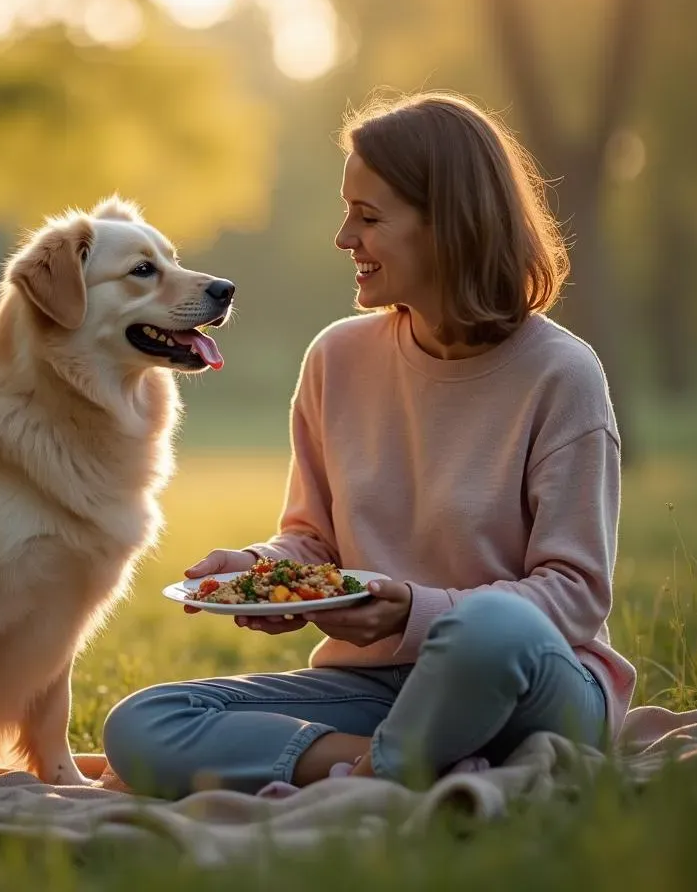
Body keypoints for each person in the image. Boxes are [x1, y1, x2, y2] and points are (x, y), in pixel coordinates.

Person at [101, 92, 637, 798]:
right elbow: (313, 540)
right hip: (377, 685)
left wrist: (415, 610)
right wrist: (262, 571)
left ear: (449, 225)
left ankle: (379, 773)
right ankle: (396, 767)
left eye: (370, 216)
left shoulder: (562, 375)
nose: (344, 237)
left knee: (489, 626)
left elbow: (574, 595)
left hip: (532, 686)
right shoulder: (337, 358)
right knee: (144, 722)